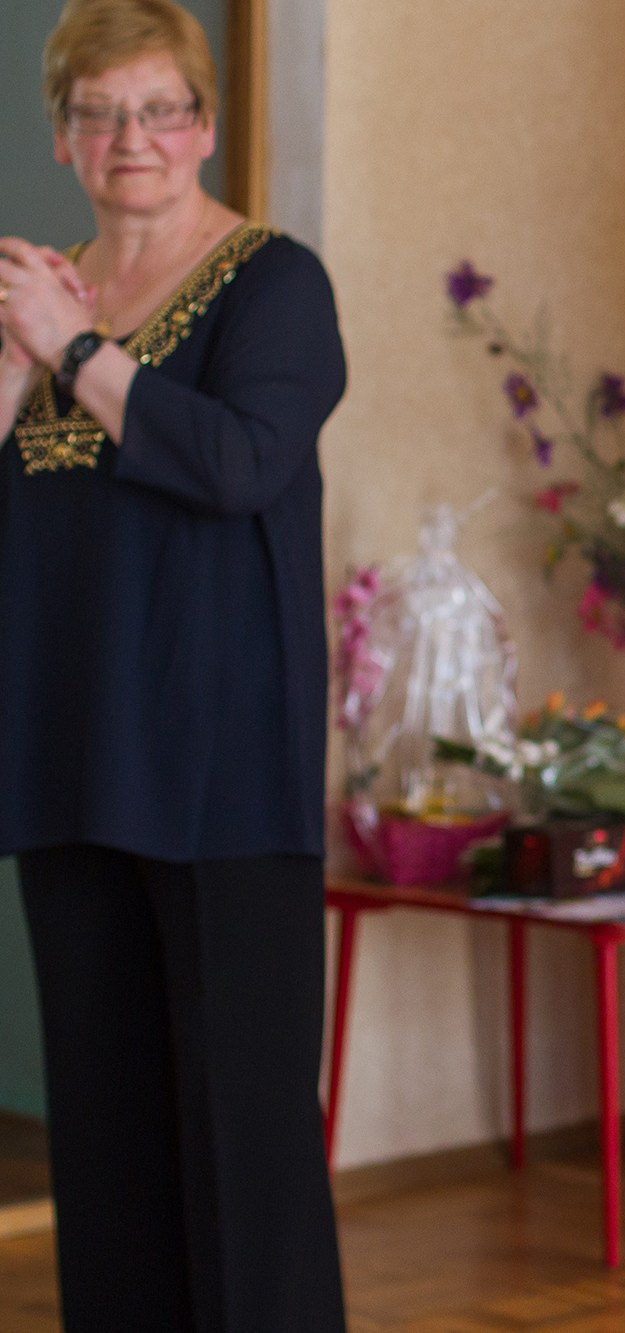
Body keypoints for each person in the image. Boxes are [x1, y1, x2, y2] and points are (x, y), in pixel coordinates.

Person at [0, 1, 347, 1328]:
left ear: (202, 126)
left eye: (157, 109)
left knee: (245, 1147)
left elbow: (242, 463)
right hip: (72, 767)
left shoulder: (275, 283)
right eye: (98, 113)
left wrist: (78, 351)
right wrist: (19, 360)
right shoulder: (42, 297)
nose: (129, 138)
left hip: (221, 778)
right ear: (62, 136)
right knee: (105, 1149)